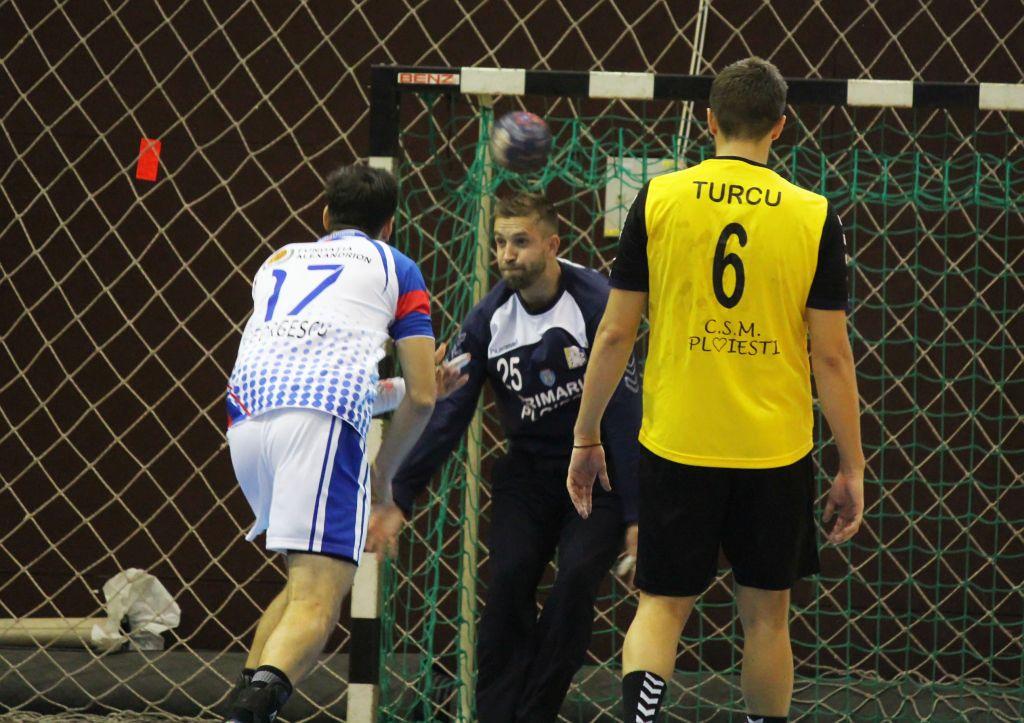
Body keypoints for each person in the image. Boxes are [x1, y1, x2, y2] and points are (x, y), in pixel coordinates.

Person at [567, 57, 865, 723]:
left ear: (709, 120)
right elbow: (832, 356)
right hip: (773, 448)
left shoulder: (659, 199)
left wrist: (586, 436)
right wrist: (851, 464)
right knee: (767, 618)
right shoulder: (814, 215)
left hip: (679, 440)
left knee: (660, 605)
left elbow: (614, 334)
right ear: (780, 126)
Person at [366, 192, 643, 722]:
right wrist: (398, 497)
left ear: (552, 245)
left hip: (598, 471)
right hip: (529, 474)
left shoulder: (596, 303)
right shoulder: (488, 318)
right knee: (509, 580)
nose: (507, 255)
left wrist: (637, 515)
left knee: (575, 581)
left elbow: (627, 413)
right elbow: (448, 412)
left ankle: (534, 714)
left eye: (520, 242)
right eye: (499, 243)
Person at [221, 164, 439, 723]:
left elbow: (324, 376)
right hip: (319, 427)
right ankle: (250, 714)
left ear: (324, 215)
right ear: (388, 226)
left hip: (246, 422)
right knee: (319, 601)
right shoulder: (397, 265)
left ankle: (248, 707)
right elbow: (424, 397)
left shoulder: (278, 261)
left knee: (301, 586)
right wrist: (383, 480)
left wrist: (396, 391)